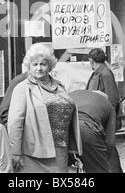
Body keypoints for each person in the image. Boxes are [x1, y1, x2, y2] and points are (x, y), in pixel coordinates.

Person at [8, 43, 82, 173]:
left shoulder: (60, 87)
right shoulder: (22, 88)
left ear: (50, 66)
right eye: (34, 64)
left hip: (60, 150)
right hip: (34, 153)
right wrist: (15, 152)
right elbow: (15, 123)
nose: (39, 68)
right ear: (29, 67)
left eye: (43, 64)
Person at [86, 47, 122, 173]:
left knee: (108, 148)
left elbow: (113, 99)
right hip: (96, 118)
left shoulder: (105, 73)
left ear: (91, 60)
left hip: (104, 119)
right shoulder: (97, 73)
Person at [69, 89, 116, 173]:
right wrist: (103, 160)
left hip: (62, 129)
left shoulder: (76, 93)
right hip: (86, 130)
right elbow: (110, 142)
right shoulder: (108, 105)